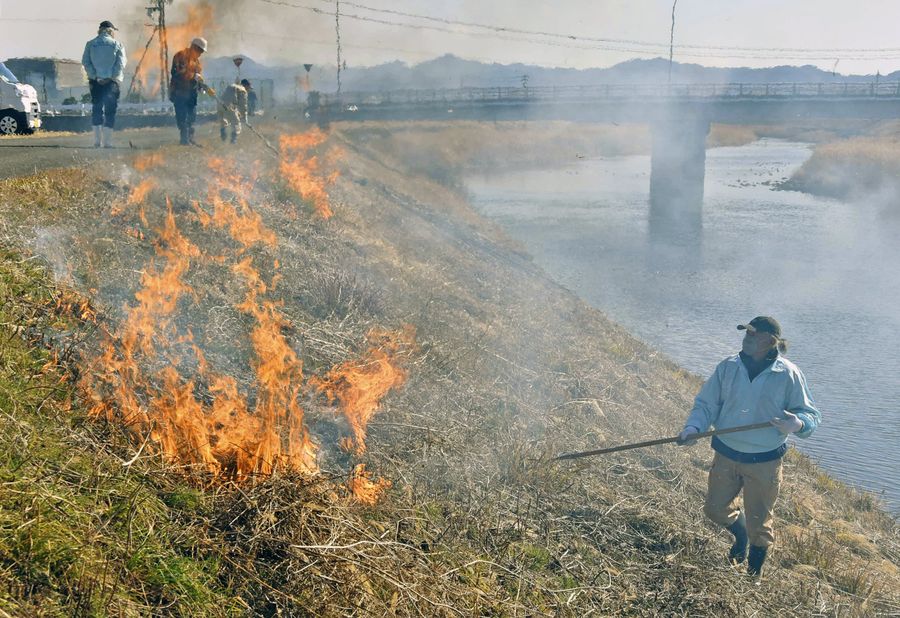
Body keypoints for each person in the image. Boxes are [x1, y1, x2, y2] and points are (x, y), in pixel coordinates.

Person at [677, 316, 821, 577]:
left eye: (753, 334)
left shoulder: (788, 374)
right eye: (746, 332)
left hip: (764, 462)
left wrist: (797, 424)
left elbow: (811, 415)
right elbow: (706, 404)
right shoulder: (728, 367)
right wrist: (693, 428)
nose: (747, 337)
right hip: (726, 454)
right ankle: (740, 535)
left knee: (760, 525)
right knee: (715, 509)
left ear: (770, 340)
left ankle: (752, 579)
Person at [81, 20, 127, 148]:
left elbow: (86, 62)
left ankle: (97, 141)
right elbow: (121, 65)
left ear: (100, 30)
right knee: (110, 111)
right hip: (112, 83)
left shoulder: (90, 44)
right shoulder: (118, 45)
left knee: (97, 108)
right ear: (111, 31)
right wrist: (111, 77)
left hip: (95, 82)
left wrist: (95, 76)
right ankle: (107, 142)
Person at [169, 37, 209, 145]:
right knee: (182, 116)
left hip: (191, 93)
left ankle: (190, 138)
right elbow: (176, 73)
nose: (201, 53)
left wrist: (200, 85)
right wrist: (193, 76)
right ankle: (184, 140)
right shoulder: (180, 56)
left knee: (192, 116)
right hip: (179, 92)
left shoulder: (196, 61)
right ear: (194, 47)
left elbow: (198, 75)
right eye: (200, 50)